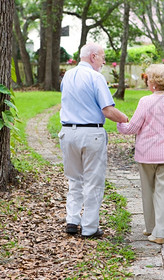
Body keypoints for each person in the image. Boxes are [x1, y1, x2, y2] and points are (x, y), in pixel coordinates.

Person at [58, 42, 128, 238]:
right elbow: (107, 110)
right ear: (93, 57)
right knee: (93, 182)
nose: (104, 61)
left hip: (68, 133)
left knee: (74, 179)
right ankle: (89, 228)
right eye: (103, 57)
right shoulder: (96, 78)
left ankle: (72, 220)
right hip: (91, 134)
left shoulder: (67, 76)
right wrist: (125, 118)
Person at [117, 64, 164, 244]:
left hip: (147, 155)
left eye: (148, 79)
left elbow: (132, 127)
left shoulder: (145, 102)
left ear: (153, 83)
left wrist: (120, 123)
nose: (147, 82)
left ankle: (150, 228)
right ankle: (159, 232)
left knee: (148, 190)